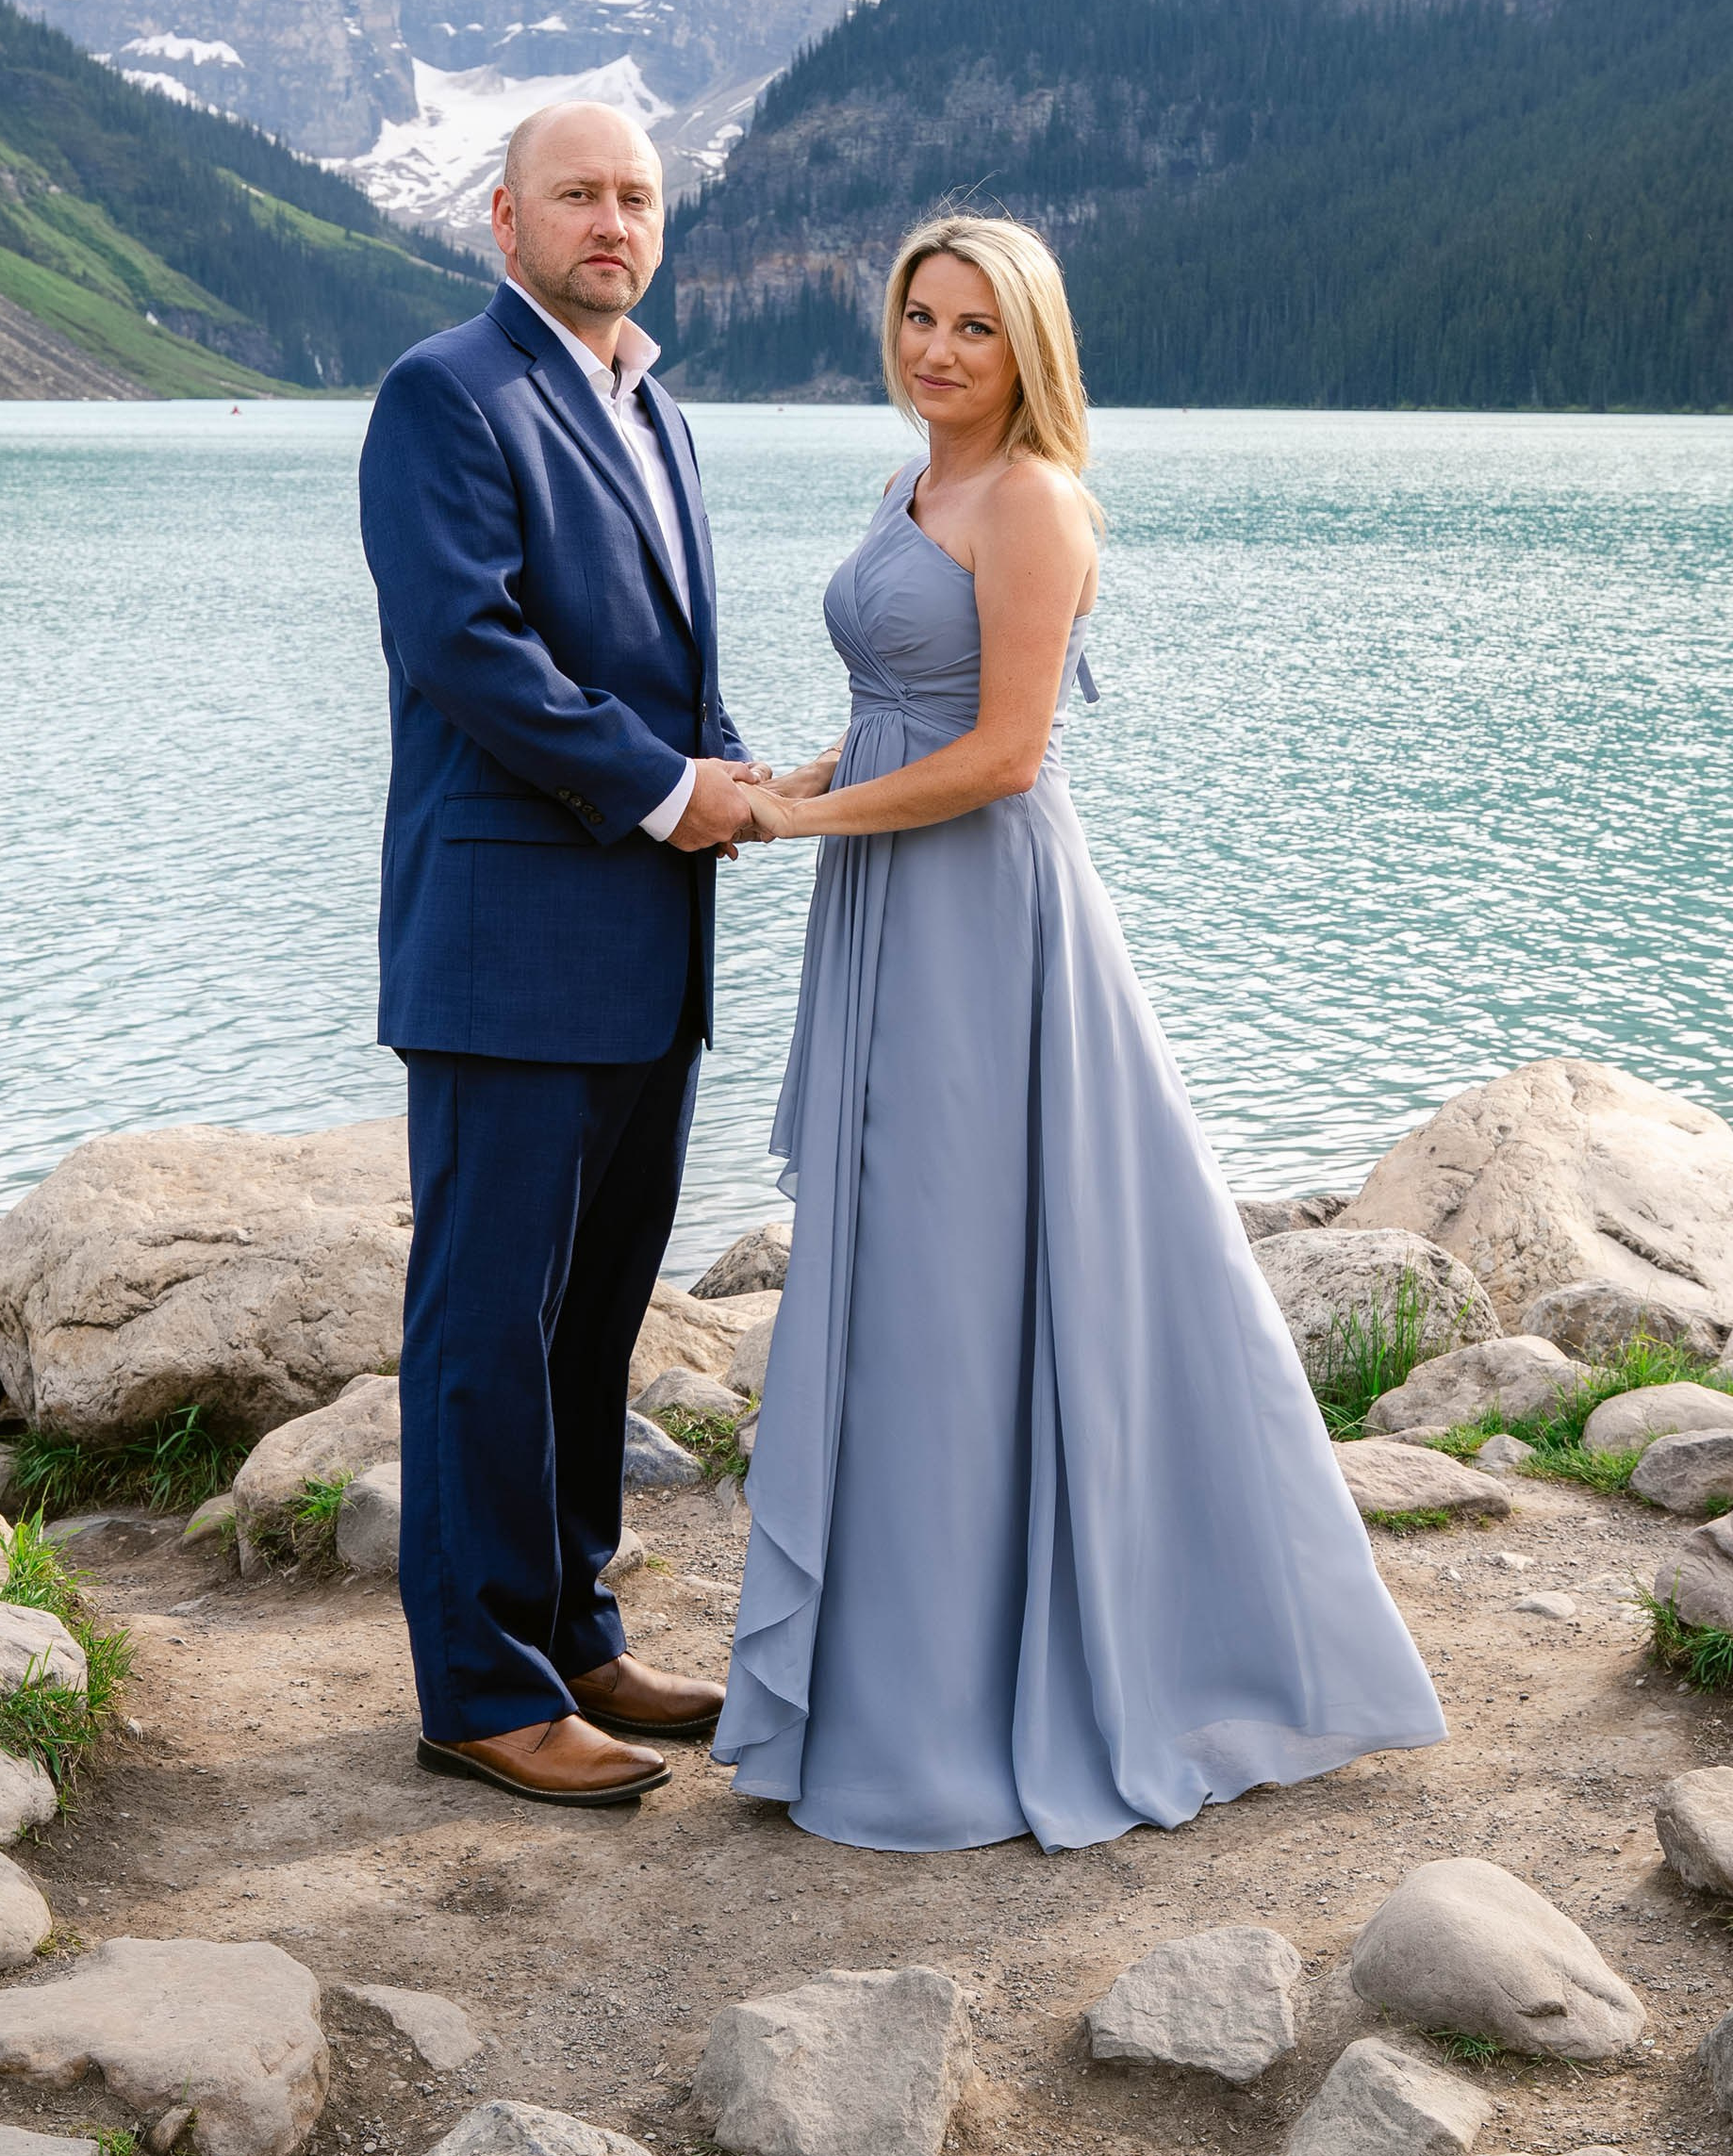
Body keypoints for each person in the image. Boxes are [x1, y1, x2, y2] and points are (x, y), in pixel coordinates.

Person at [716, 213, 1446, 1851]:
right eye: (920, 314)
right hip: (889, 906)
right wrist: (802, 778)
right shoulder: (914, 486)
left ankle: (990, 1698)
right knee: (906, 1274)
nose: (941, 349)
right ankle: (881, 1683)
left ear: (1029, 347)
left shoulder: (1036, 499)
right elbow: (907, 710)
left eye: (978, 325)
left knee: (975, 1284)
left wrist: (795, 832)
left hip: (985, 921)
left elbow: (1005, 756)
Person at [358, 101, 797, 1806]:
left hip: (644, 944)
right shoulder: (448, 392)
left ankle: (573, 1629)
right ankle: (477, 1687)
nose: (610, 221)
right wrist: (666, 785)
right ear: (504, 219)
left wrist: (735, 766)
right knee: (486, 1323)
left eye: (635, 197)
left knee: (596, 1314)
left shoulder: (651, 400)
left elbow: (660, 665)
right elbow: (467, 645)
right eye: (577, 196)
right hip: (506, 946)